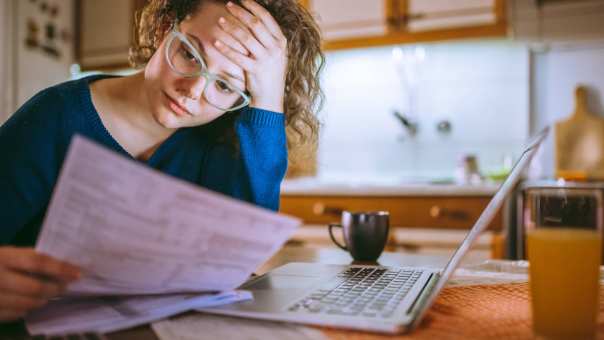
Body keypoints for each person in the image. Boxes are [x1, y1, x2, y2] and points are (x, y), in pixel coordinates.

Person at [0, 0, 323, 322]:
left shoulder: (221, 142)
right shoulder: (54, 117)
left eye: (225, 86)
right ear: (163, 28)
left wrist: (268, 100)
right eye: (190, 55)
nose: (193, 92)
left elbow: (241, 256)